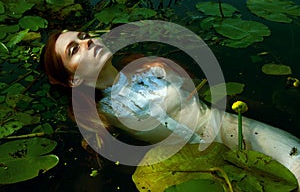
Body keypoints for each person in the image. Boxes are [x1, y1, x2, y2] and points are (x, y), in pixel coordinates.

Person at [42, 30, 300, 186]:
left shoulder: (151, 67)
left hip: (233, 128)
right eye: (74, 49)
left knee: (296, 161)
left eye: (84, 36)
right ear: (73, 80)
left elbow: (203, 99)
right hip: (198, 165)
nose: (87, 42)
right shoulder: (101, 117)